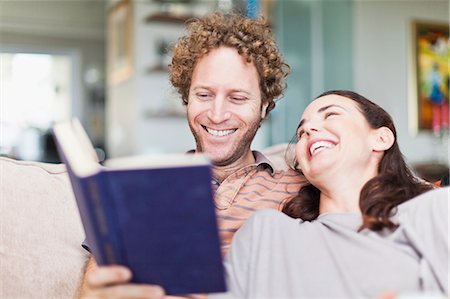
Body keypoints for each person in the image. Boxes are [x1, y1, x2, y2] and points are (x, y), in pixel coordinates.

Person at [78, 12, 306, 298]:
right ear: (187, 98)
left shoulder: (299, 188)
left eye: (237, 98)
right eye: (204, 95)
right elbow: (91, 291)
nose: (217, 114)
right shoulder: (140, 187)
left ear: (263, 106)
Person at [209, 90, 448, 298]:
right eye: (302, 132)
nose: (309, 129)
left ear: (381, 138)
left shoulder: (433, 211)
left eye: (331, 114)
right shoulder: (265, 233)